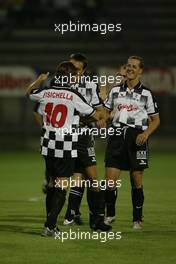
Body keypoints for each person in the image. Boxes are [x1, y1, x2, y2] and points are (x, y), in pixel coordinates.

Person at [26, 61, 108, 236]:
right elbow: (95, 115)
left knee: (52, 182)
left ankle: (50, 223)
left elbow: (29, 93)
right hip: (65, 144)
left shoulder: (46, 92)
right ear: (71, 77)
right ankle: (50, 226)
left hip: (47, 143)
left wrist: (39, 80)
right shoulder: (73, 95)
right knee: (63, 184)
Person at [103, 56, 160, 229]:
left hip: (137, 137)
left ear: (140, 71)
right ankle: (110, 214)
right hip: (117, 137)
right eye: (128, 66)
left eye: (134, 66)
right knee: (110, 182)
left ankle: (137, 218)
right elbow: (105, 112)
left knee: (136, 179)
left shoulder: (146, 94)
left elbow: (155, 120)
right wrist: (103, 119)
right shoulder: (115, 91)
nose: (130, 69)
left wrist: (146, 133)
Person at [63, 53, 104, 226]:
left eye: (77, 70)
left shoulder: (90, 85)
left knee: (88, 176)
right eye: (70, 68)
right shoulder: (61, 84)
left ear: (84, 71)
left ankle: (79, 216)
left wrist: (81, 118)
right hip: (63, 135)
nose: (72, 72)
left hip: (84, 135)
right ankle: (69, 216)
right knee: (65, 177)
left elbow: (99, 112)